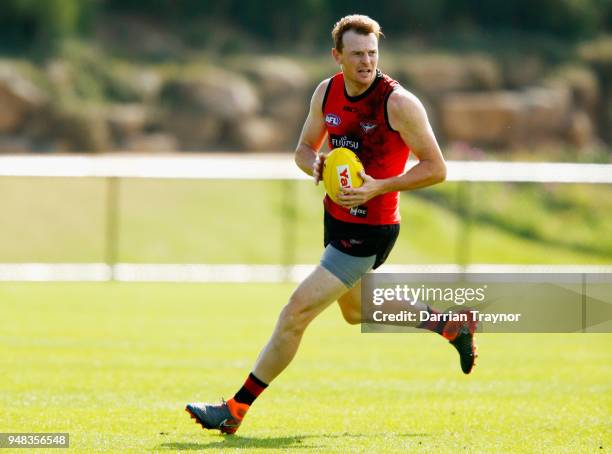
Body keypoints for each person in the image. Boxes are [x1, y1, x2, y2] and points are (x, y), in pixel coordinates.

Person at [186, 14, 478, 435]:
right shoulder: (327, 92)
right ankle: (451, 326)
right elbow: (304, 150)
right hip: (337, 219)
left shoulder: (398, 104)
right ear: (337, 55)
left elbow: (437, 169)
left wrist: (380, 186)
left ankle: (235, 408)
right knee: (356, 311)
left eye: (372, 54)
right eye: (357, 54)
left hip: (371, 228)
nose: (366, 62)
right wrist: (317, 166)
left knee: (295, 312)